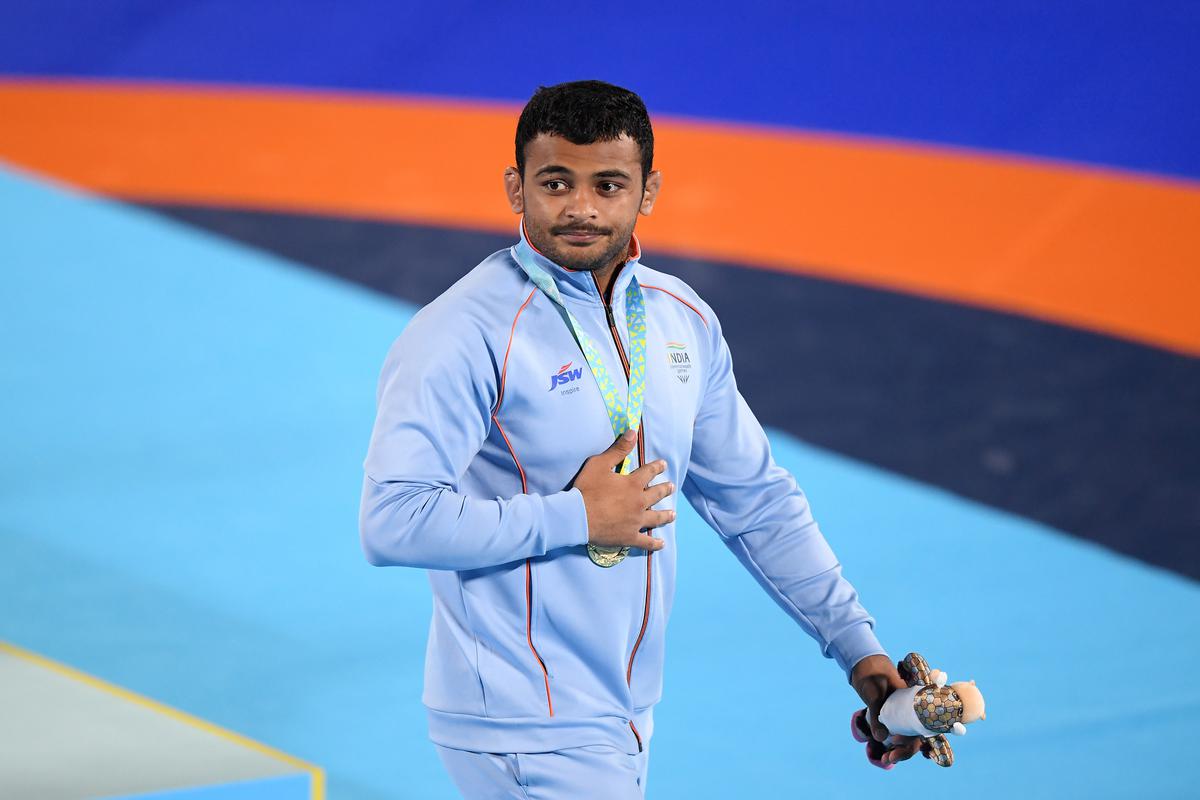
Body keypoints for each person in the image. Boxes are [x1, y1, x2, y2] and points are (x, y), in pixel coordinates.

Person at [359, 79, 919, 798]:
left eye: (609, 184)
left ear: (648, 191)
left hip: (621, 712)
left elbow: (757, 503)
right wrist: (578, 516)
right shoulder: (463, 333)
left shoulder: (680, 318)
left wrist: (860, 652)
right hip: (520, 719)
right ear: (515, 186)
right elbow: (391, 521)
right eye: (555, 182)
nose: (582, 208)